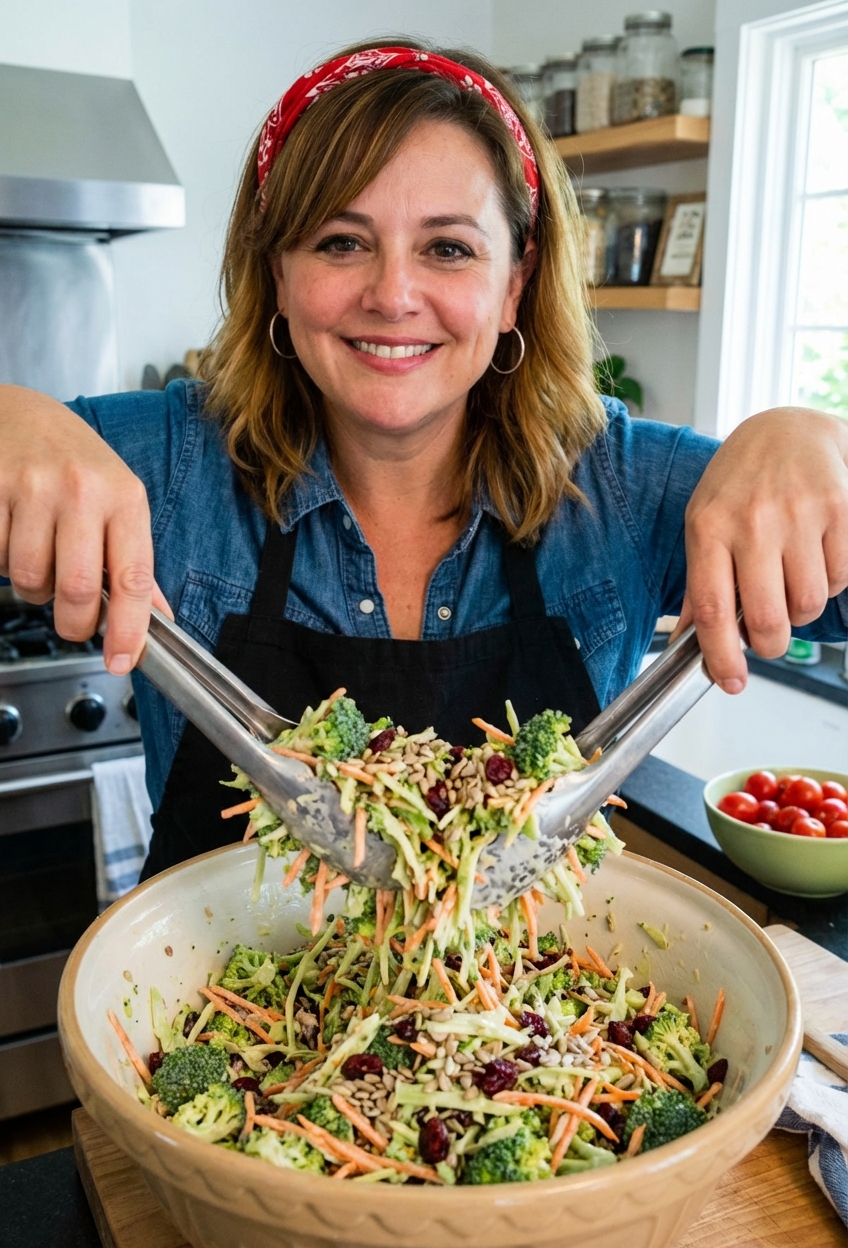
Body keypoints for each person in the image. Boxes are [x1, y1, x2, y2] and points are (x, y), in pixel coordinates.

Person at [1, 41, 846, 880]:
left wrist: (813, 440)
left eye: (448, 248)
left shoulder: (621, 482)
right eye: (340, 241)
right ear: (278, 276)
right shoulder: (171, 462)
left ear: (515, 282)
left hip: (535, 1010)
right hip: (196, 996)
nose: (393, 294)